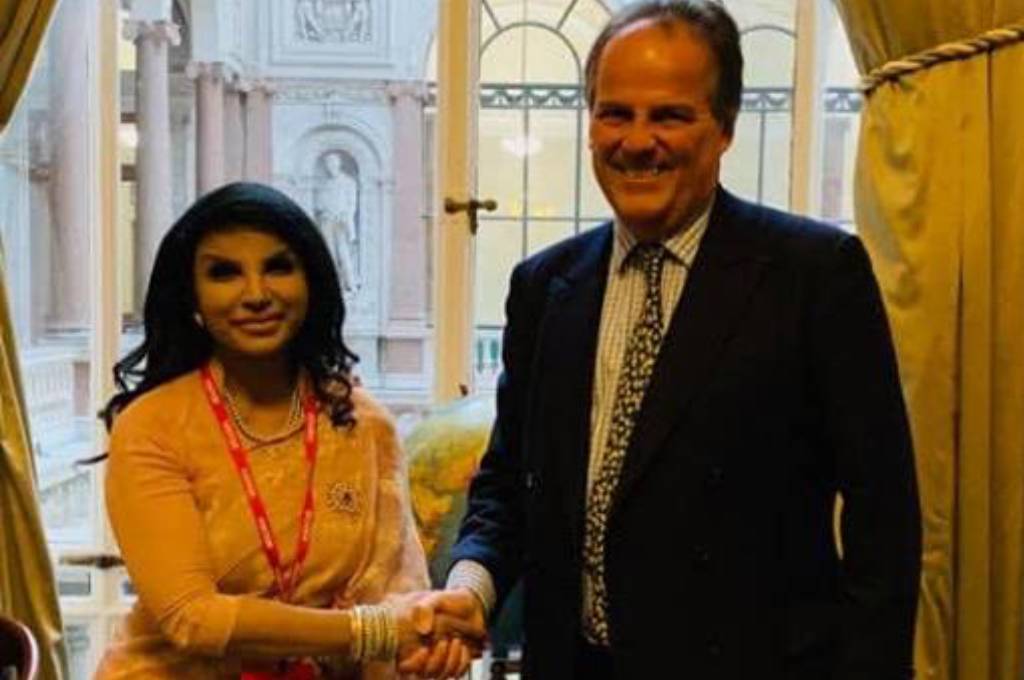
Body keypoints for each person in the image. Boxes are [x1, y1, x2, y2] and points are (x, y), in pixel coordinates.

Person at [431, 2, 923, 678]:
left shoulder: (814, 277)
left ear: (724, 127)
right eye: (615, 113)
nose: (637, 142)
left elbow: (884, 522)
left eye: (669, 116)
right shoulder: (544, 288)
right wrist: (469, 588)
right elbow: (507, 487)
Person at [94, 182, 481, 679]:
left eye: (278, 267)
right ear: (191, 297)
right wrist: (379, 631)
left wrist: (428, 641)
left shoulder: (364, 425)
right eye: (224, 273)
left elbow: (399, 594)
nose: (256, 294)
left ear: (311, 283)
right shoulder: (153, 427)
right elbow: (193, 618)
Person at [314, 153, 360, 293]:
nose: (330, 167)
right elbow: (318, 204)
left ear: (338, 164)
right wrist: (324, 210)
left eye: (332, 164)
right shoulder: (325, 184)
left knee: (343, 253)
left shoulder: (348, 182)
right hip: (327, 220)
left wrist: (347, 218)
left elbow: (352, 204)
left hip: (341, 221)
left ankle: (351, 284)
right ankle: (332, 285)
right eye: (328, 165)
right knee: (328, 253)